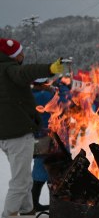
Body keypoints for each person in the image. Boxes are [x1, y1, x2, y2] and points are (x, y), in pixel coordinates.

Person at [0, 38, 64, 217]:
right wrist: (49, 69)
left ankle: (27, 211)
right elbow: (25, 72)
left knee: (24, 179)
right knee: (20, 182)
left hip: (7, 134)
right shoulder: (9, 69)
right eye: (20, 52)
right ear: (12, 55)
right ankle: (9, 215)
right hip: (17, 135)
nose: (23, 55)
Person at [31, 78, 55, 212]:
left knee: (39, 168)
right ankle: (56, 205)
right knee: (53, 170)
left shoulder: (31, 95)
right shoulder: (44, 95)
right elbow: (61, 104)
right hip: (49, 136)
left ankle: (34, 202)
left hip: (37, 136)